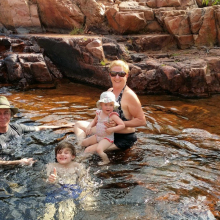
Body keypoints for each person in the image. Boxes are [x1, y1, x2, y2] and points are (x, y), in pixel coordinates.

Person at [74, 60, 146, 158]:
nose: (117, 77)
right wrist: (92, 125)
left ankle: (79, 167)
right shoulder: (109, 91)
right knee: (78, 124)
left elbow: (142, 121)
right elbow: (101, 113)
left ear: (127, 75)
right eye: (113, 74)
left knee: (88, 150)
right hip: (106, 132)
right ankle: (78, 146)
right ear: (110, 75)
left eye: (121, 74)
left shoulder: (129, 95)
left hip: (122, 137)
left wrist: (119, 123)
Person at [0, 96, 74, 166]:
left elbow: (40, 128)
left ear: (10, 115)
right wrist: (18, 162)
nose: (2, 117)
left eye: (6, 113)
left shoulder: (17, 128)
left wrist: (63, 126)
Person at [43, 141, 86, 219]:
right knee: (48, 211)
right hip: (55, 189)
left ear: (73, 156)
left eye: (66, 153)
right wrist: (50, 180)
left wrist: (86, 195)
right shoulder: (50, 166)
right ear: (56, 156)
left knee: (67, 212)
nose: (62, 154)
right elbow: (44, 179)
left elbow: (85, 180)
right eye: (59, 152)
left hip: (71, 189)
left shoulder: (77, 166)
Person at [81, 91, 125, 165]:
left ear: (114, 105)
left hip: (107, 138)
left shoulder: (112, 115)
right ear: (101, 104)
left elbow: (122, 125)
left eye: (111, 105)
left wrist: (112, 129)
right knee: (83, 142)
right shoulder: (99, 113)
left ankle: (106, 160)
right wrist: (89, 126)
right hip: (98, 136)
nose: (108, 107)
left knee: (99, 149)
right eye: (106, 105)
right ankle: (79, 152)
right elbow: (94, 121)